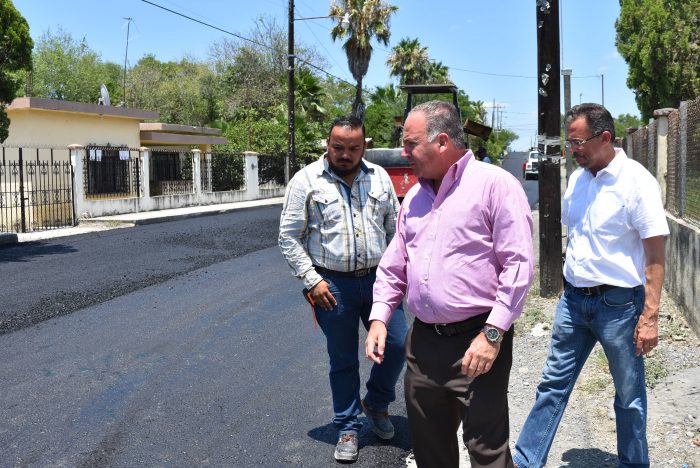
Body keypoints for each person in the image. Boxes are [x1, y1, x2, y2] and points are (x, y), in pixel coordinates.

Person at [365, 101, 535, 467]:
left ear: (441, 142)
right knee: (431, 451)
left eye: (410, 143)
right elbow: (396, 263)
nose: (403, 152)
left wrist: (492, 336)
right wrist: (379, 317)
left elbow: (518, 265)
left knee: (486, 451)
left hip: (477, 342)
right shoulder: (414, 197)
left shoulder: (496, 186)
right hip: (423, 344)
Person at [512, 103, 670, 468]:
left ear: (605, 138)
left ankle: (633, 463)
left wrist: (650, 316)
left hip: (618, 306)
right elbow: (577, 231)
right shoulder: (579, 180)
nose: (573, 150)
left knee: (628, 395)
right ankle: (525, 461)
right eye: (570, 144)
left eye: (578, 142)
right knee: (552, 385)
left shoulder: (636, 181)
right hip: (573, 302)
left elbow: (655, 254)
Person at [278, 115, 409, 463]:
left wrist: (400, 274)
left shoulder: (379, 177)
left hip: (380, 280)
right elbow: (288, 237)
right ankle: (348, 426)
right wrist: (312, 280)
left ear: (364, 146)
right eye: (338, 147)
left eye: (353, 148)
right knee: (343, 358)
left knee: (398, 342)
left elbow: (395, 232)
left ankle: (377, 403)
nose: (345, 154)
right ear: (327, 143)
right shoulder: (305, 181)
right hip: (331, 284)